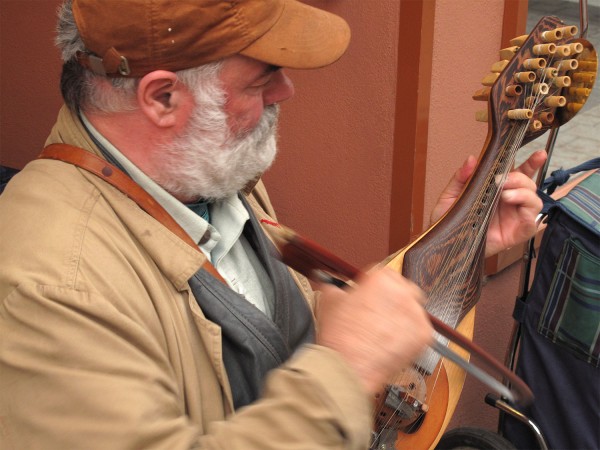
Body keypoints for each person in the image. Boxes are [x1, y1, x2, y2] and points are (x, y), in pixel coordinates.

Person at [0, 0, 545, 449]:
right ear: (163, 97)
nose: (286, 91)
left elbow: (296, 332)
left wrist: (457, 240)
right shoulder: (47, 282)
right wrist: (345, 372)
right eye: (263, 78)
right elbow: (337, 359)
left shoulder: (204, 174)